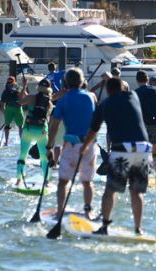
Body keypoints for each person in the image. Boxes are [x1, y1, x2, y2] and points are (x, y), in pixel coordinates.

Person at [80, 78, 152, 235]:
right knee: (136, 191)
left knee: (111, 190)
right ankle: (138, 229)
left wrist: (84, 147)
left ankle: (105, 227)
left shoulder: (104, 105)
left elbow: (93, 131)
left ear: (108, 90)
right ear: (123, 88)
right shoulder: (133, 96)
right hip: (142, 149)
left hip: (122, 149)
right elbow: (124, 86)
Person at [47, 68, 97, 219]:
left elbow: (54, 125)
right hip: (89, 145)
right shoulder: (91, 97)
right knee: (87, 182)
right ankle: (88, 212)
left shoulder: (64, 100)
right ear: (82, 82)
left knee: (63, 182)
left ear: (65, 83)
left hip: (71, 144)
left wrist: (49, 147)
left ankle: (60, 212)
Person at [15, 78, 53, 186]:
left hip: (28, 129)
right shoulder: (49, 103)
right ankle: (46, 182)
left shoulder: (31, 98)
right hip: (42, 131)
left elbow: (19, 102)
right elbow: (48, 118)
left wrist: (24, 86)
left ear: (38, 87)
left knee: (22, 156)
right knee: (44, 158)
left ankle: (19, 180)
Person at [133, 71, 156, 184]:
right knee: (155, 151)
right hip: (155, 123)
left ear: (137, 80)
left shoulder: (135, 93)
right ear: (147, 80)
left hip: (141, 125)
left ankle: (143, 177)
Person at [0, 76, 24, 146]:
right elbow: (23, 97)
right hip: (18, 108)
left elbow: (2, 105)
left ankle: (6, 142)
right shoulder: (18, 88)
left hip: (9, 108)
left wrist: (5, 113)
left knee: (7, 126)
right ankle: (21, 141)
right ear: (14, 82)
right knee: (20, 126)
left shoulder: (5, 91)